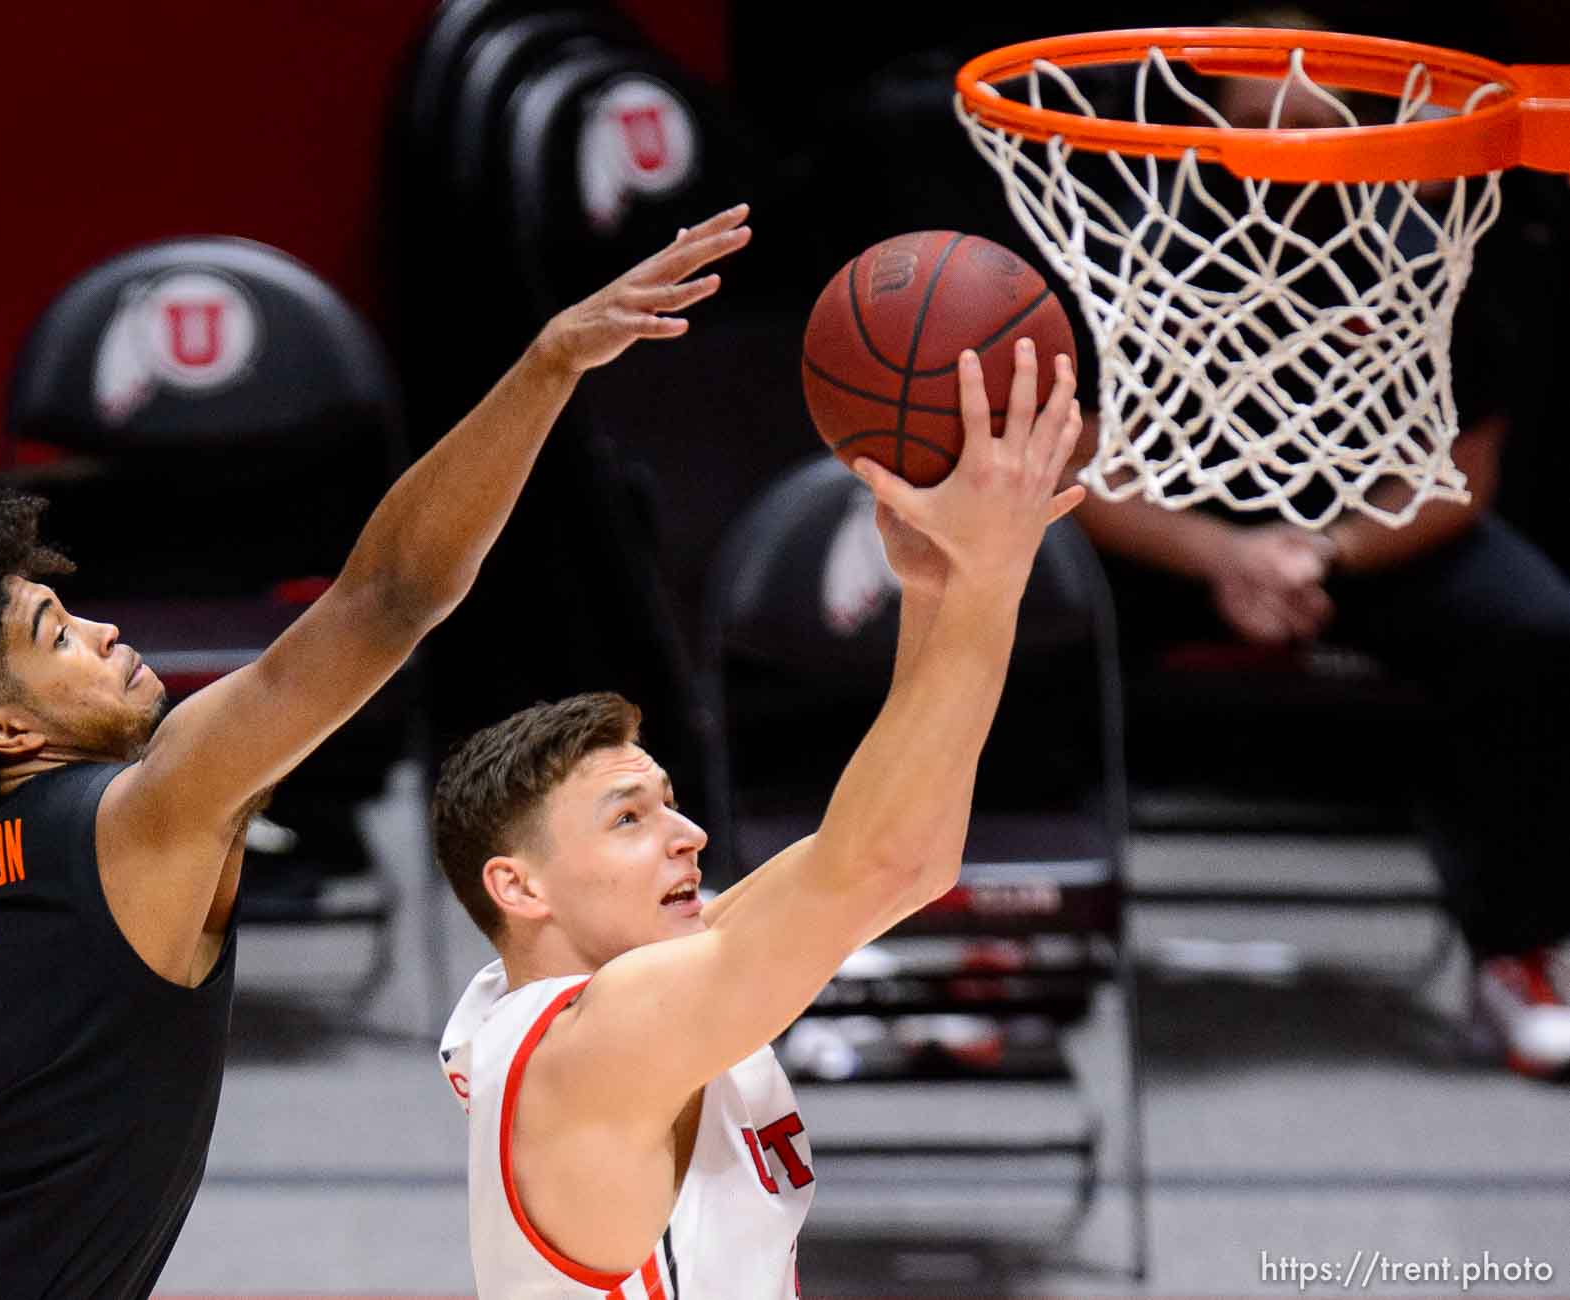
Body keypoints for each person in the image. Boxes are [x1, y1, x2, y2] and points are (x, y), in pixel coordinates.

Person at [0, 203, 750, 1300]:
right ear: (6, 730)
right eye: (55, 633)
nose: (105, 629)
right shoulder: (144, 816)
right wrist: (548, 364)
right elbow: (391, 594)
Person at [432, 340, 1083, 1296]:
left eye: (670, 803)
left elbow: (909, 866)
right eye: (627, 820)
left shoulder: (649, 981)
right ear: (519, 885)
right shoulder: (587, 1045)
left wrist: (936, 589)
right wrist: (992, 577)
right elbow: (870, 863)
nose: (686, 835)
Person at [1070, 25, 1570, 1080]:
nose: (1295, 146)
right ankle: (1015, 926)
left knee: (1536, 626)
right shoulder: (1122, 248)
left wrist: (1320, 552)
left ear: (1363, 128)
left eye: (1318, 122)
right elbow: (1076, 466)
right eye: (1267, 124)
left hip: (1354, 550)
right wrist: (1222, 555)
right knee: (1011, 607)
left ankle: (1514, 951)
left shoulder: (1435, 245)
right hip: (1171, 548)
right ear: (1212, 131)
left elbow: (1466, 471)